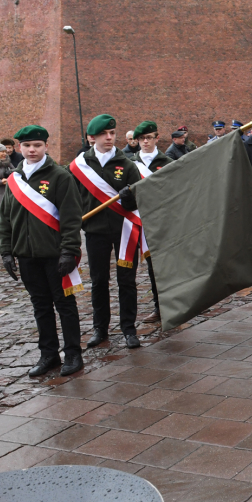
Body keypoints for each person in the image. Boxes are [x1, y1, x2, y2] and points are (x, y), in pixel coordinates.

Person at [0, 126, 84, 376]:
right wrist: (6, 251)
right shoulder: (14, 179)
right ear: (20, 148)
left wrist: (69, 250)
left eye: (37, 145)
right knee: (40, 306)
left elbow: (71, 217)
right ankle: (49, 355)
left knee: (65, 305)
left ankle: (73, 354)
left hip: (55, 254)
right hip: (27, 255)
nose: (32, 150)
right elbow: (5, 218)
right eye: (27, 145)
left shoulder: (60, 176)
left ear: (46, 146)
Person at [71, 114, 144, 350]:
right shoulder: (80, 166)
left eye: (112, 133)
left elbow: (139, 201)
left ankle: (129, 329)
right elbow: (73, 199)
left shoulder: (127, 164)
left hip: (125, 230)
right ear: (92, 137)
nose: (109, 137)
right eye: (104, 134)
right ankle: (100, 328)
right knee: (99, 280)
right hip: (95, 231)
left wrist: (129, 197)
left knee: (127, 281)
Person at [130, 121, 172, 324]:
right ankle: (158, 306)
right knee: (152, 267)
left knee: (168, 265)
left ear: (157, 138)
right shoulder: (130, 164)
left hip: (164, 220)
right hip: (141, 221)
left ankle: (173, 303)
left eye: (149, 138)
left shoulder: (168, 162)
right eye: (141, 138)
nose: (145, 142)